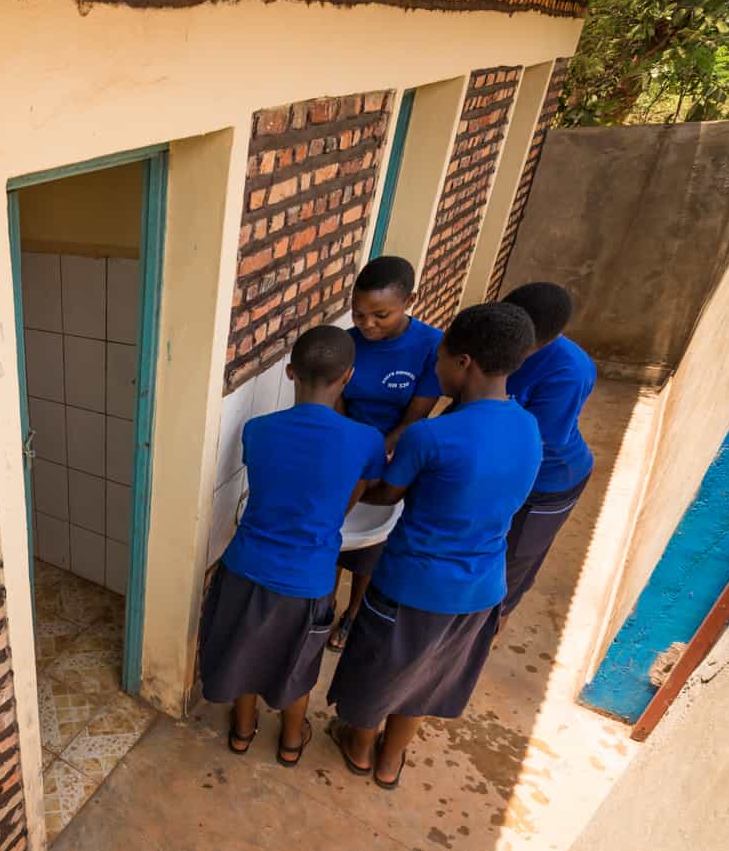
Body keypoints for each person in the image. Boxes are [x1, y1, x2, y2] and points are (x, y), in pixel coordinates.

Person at [325, 303, 542, 789]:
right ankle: (390, 761)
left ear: (463, 362)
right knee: (428, 675)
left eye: (439, 358)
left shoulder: (431, 435)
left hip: (412, 587)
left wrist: (344, 483)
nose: (435, 367)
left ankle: (359, 747)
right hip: (482, 590)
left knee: (376, 672)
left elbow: (384, 496)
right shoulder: (527, 426)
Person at [200, 326, 386, 765]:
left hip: (245, 567)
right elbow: (359, 488)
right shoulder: (366, 439)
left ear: (289, 373)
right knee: (298, 666)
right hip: (309, 580)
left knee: (243, 653)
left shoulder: (258, 429)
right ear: (348, 377)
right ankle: (289, 741)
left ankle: (243, 731)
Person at [329, 255, 445, 650]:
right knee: (334, 531)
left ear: (410, 300)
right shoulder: (348, 342)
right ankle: (323, 606)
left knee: (369, 542)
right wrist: (352, 444)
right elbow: (338, 399)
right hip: (349, 447)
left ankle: (353, 612)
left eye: (380, 315)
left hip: (394, 454)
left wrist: (377, 453)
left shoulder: (430, 346)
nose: (367, 325)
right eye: (359, 314)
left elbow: (417, 416)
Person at [498, 282, 597, 630]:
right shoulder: (500, 341)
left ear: (541, 341)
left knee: (513, 562)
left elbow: (534, 446)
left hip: (548, 481)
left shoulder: (568, 372)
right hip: (503, 465)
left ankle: (489, 631)